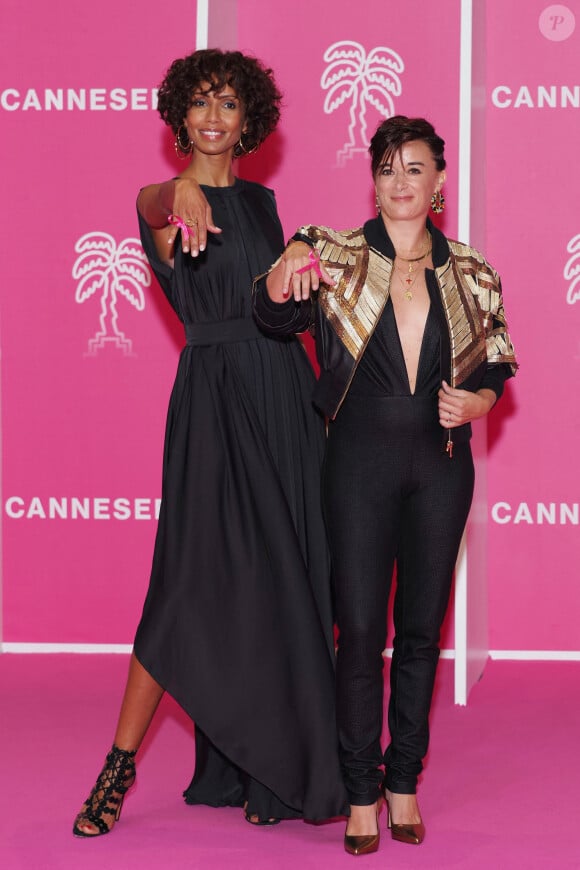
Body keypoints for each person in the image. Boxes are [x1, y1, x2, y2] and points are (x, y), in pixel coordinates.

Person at [73, 48, 348, 837]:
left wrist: (299, 276)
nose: (215, 117)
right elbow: (153, 203)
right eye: (201, 103)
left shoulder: (264, 205)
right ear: (179, 118)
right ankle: (117, 768)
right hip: (214, 403)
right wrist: (177, 191)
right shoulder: (166, 200)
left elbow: (283, 313)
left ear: (248, 118)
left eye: (230, 104)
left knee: (290, 576)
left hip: (286, 401)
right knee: (183, 587)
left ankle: (275, 769)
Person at [253, 115, 518, 855]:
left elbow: (495, 364)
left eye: (415, 169)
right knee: (362, 632)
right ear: (372, 180)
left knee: (424, 634)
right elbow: (273, 315)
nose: (400, 183)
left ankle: (404, 781)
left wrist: (482, 402)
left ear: (439, 183)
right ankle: (361, 791)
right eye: (388, 169)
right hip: (357, 464)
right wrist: (282, 271)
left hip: (442, 463)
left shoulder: (471, 269)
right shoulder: (332, 255)